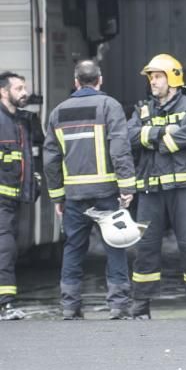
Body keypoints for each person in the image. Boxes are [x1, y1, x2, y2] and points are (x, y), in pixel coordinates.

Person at [43, 60, 136, 320]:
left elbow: (51, 159)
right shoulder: (109, 106)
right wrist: (127, 185)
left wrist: (57, 195)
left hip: (74, 196)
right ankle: (118, 306)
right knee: (115, 246)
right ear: (100, 80)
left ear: (76, 82)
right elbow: (119, 148)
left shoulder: (58, 112)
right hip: (105, 193)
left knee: (73, 248)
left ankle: (70, 307)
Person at [126, 54, 186, 319]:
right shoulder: (142, 108)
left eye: (158, 76)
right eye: (151, 76)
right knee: (146, 247)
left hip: (184, 189)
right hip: (151, 189)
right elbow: (129, 137)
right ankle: (140, 305)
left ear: (173, 78)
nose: (153, 81)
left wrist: (151, 138)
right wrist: (163, 134)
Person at [0, 71, 34, 321]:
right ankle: (6, 304)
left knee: (10, 248)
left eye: (24, 88)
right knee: (5, 249)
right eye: (19, 88)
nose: (25, 93)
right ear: (4, 92)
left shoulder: (20, 121)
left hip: (14, 200)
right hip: (2, 200)